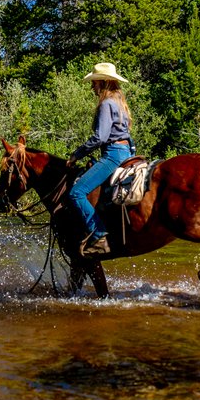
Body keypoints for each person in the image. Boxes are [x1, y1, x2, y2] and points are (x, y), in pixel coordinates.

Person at [66, 62, 134, 257]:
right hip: (126, 152)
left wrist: (76, 155)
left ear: (103, 82)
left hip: (112, 154)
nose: (92, 87)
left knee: (77, 193)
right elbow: (128, 136)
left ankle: (99, 235)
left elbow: (100, 138)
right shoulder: (120, 102)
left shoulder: (106, 104)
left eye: (94, 82)